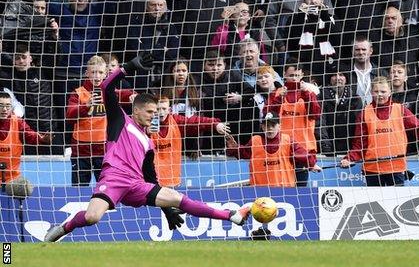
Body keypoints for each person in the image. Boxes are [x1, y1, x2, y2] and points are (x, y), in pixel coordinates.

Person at [44, 52, 250, 242]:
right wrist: (128, 67)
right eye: (150, 111)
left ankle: (231, 215)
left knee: (179, 199)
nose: (154, 116)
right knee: (92, 217)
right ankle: (64, 227)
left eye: (155, 112)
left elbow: (150, 177)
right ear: (136, 110)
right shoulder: (120, 121)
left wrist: (167, 209)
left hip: (135, 185)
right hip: (114, 178)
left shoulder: (148, 141)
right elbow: (106, 87)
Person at [341, 76, 419, 186]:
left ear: (390, 92)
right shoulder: (364, 113)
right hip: (372, 169)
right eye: (376, 91)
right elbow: (359, 143)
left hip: (396, 167)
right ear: (371, 92)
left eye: (383, 91)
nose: (379, 94)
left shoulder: (400, 110)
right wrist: (350, 158)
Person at [66, 55, 135, 186]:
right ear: (86, 73)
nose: (97, 76)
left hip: (103, 149)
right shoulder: (78, 93)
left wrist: (133, 95)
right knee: (78, 189)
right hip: (81, 150)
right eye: (93, 72)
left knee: (105, 187)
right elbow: (69, 115)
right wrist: (85, 106)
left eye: (100, 72)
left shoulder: (108, 92)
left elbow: (123, 94)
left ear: (105, 74)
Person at [151, 94, 229, 187]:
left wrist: (215, 124)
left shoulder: (176, 121)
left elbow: (195, 121)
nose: (161, 112)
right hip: (151, 179)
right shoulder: (146, 124)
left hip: (171, 179)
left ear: (169, 110)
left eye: (164, 109)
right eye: (158, 109)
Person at [225, 112, 318, 187]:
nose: (270, 128)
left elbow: (302, 155)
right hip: (259, 191)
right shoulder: (255, 141)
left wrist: (312, 164)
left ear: (279, 126)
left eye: (273, 125)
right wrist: (234, 148)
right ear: (262, 127)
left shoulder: (288, 140)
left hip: (286, 191)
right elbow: (243, 152)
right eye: (266, 125)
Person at [267, 62, 321, 186]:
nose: (294, 79)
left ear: (302, 75)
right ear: (284, 75)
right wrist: (278, 99)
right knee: (280, 188)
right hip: (280, 149)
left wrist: (306, 95)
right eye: (291, 75)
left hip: (302, 152)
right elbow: (268, 117)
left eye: (297, 75)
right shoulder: (276, 93)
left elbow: (316, 115)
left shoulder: (309, 92)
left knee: (300, 191)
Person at [0, 92, 51, 198]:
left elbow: (30, 134)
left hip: (12, 181)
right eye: (1, 106)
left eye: (7, 106)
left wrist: (41, 139)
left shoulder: (17, 122)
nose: (4, 109)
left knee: (26, 187)